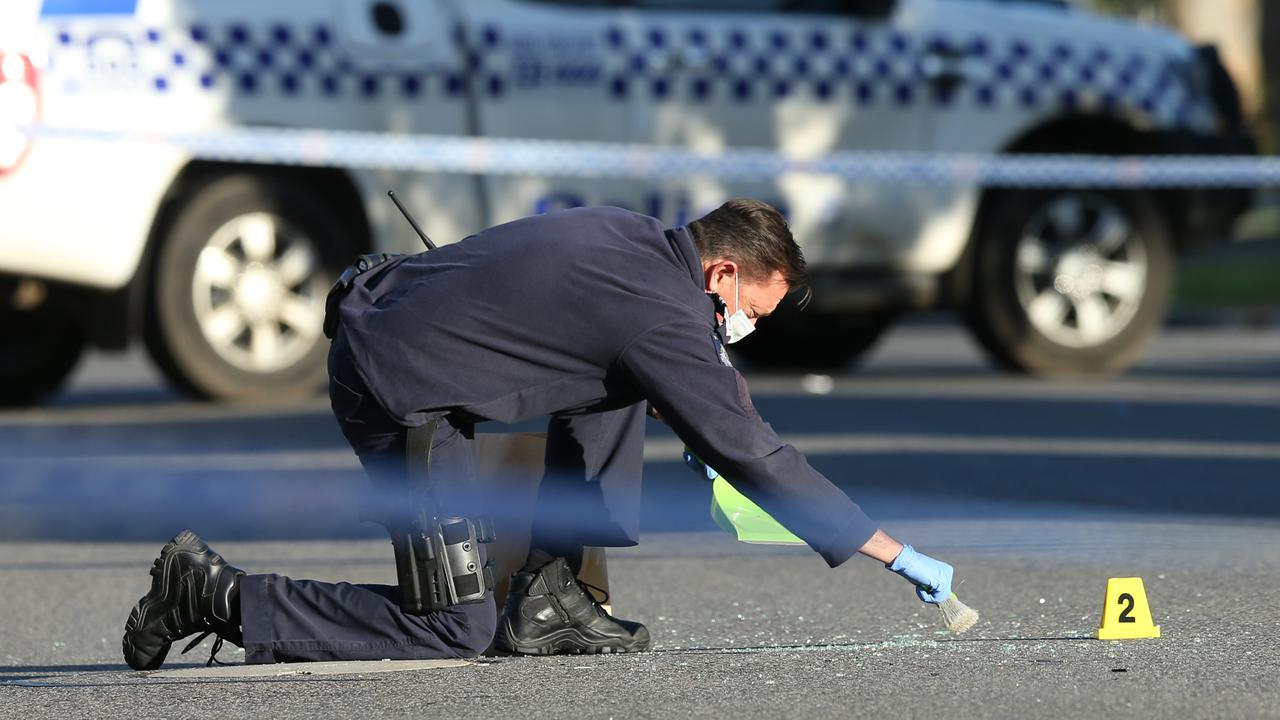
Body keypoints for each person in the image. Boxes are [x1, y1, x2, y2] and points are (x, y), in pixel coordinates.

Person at [121, 199, 955, 669]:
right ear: (723, 271)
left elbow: (631, 356)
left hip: (394, 334)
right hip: (394, 394)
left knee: (632, 389)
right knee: (455, 627)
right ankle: (216, 595)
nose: (736, 328)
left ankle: (551, 594)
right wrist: (891, 551)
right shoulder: (662, 315)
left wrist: (696, 395)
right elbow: (757, 453)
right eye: (743, 313)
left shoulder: (628, 237)